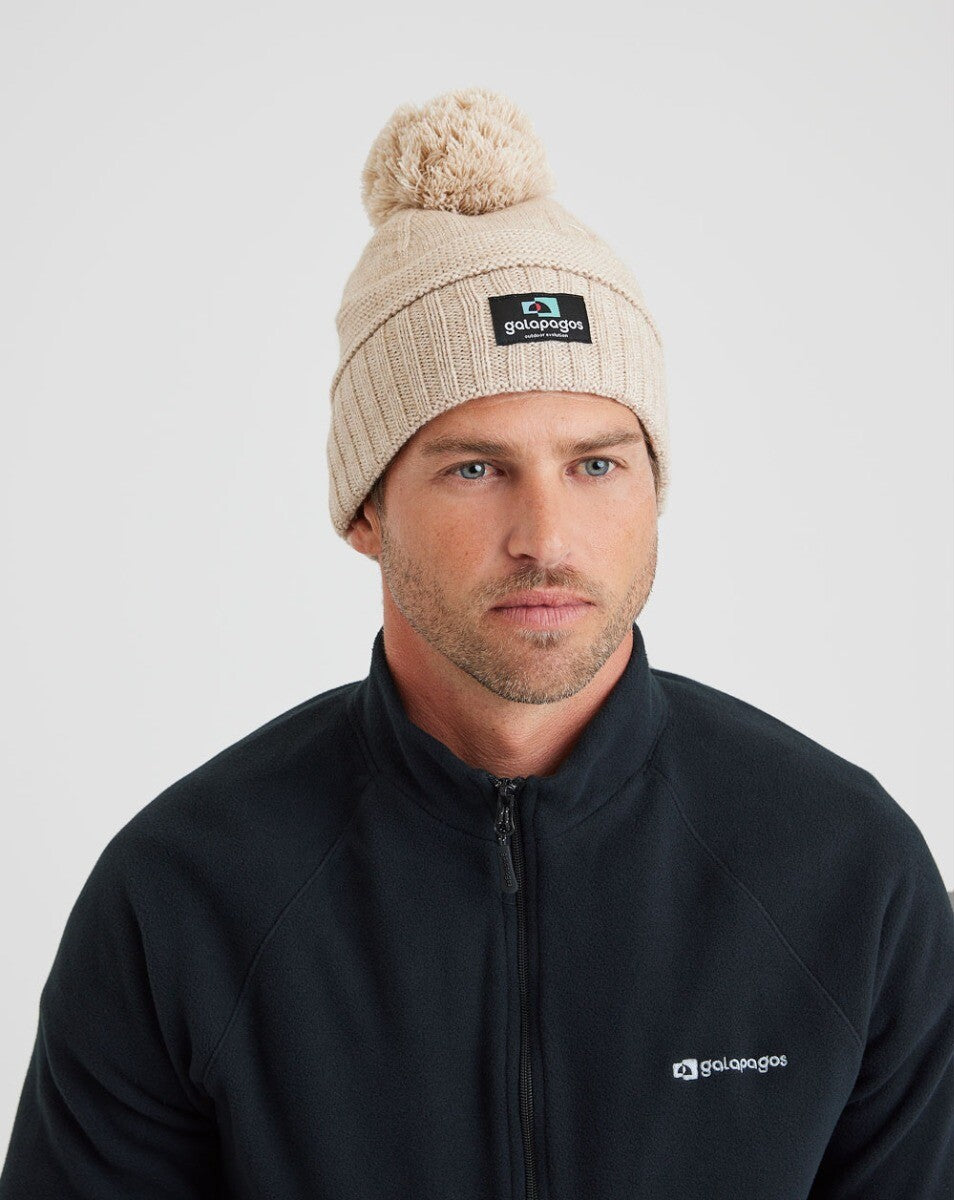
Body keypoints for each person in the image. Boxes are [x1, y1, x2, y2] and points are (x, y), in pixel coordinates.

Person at [1, 86, 952, 1200]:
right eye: (474, 467)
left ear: (653, 489)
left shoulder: (844, 873)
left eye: (596, 464)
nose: (547, 537)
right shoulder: (184, 897)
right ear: (367, 509)